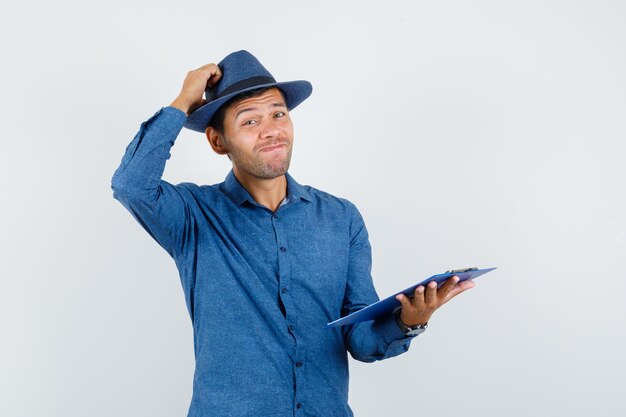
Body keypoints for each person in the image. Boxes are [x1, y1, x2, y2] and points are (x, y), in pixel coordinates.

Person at [111, 50, 475, 417]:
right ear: (218, 142)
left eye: (278, 114)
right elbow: (131, 185)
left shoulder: (341, 218)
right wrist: (182, 101)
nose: (271, 130)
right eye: (249, 121)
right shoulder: (192, 215)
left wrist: (407, 321)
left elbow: (361, 339)